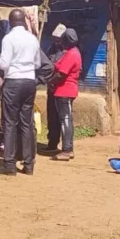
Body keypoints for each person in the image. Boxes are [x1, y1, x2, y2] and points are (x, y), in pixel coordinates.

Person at [0, 9, 42, 176]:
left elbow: (4, 64)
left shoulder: (9, 38)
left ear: (10, 22)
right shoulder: (32, 39)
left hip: (14, 82)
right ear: (24, 21)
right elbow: (38, 63)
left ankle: (9, 164)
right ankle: (28, 164)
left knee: (10, 123)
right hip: (29, 82)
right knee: (27, 123)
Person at [50, 28, 82, 161]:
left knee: (65, 120)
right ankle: (68, 149)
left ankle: (67, 150)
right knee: (66, 119)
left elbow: (62, 74)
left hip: (64, 90)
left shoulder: (71, 54)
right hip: (68, 90)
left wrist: (50, 81)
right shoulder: (74, 52)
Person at [44, 23, 67, 154]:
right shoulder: (51, 50)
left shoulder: (68, 51)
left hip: (62, 89)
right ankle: (52, 143)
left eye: (59, 39)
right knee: (51, 116)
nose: (56, 41)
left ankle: (65, 146)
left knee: (62, 118)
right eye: (55, 39)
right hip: (51, 88)